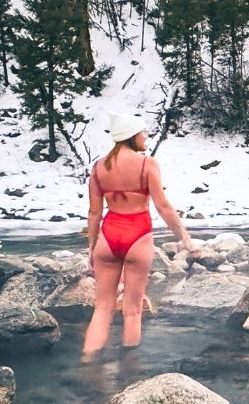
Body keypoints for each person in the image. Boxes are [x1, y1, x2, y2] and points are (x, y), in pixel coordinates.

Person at [82, 112, 195, 361]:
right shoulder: (147, 164)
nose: (146, 137)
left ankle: (88, 362)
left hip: (108, 237)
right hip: (138, 236)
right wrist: (184, 237)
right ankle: (128, 371)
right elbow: (163, 207)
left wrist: (91, 247)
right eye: (143, 132)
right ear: (133, 136)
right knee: (132, 310)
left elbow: (94, 212)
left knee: (102, 307)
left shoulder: (99, 167)